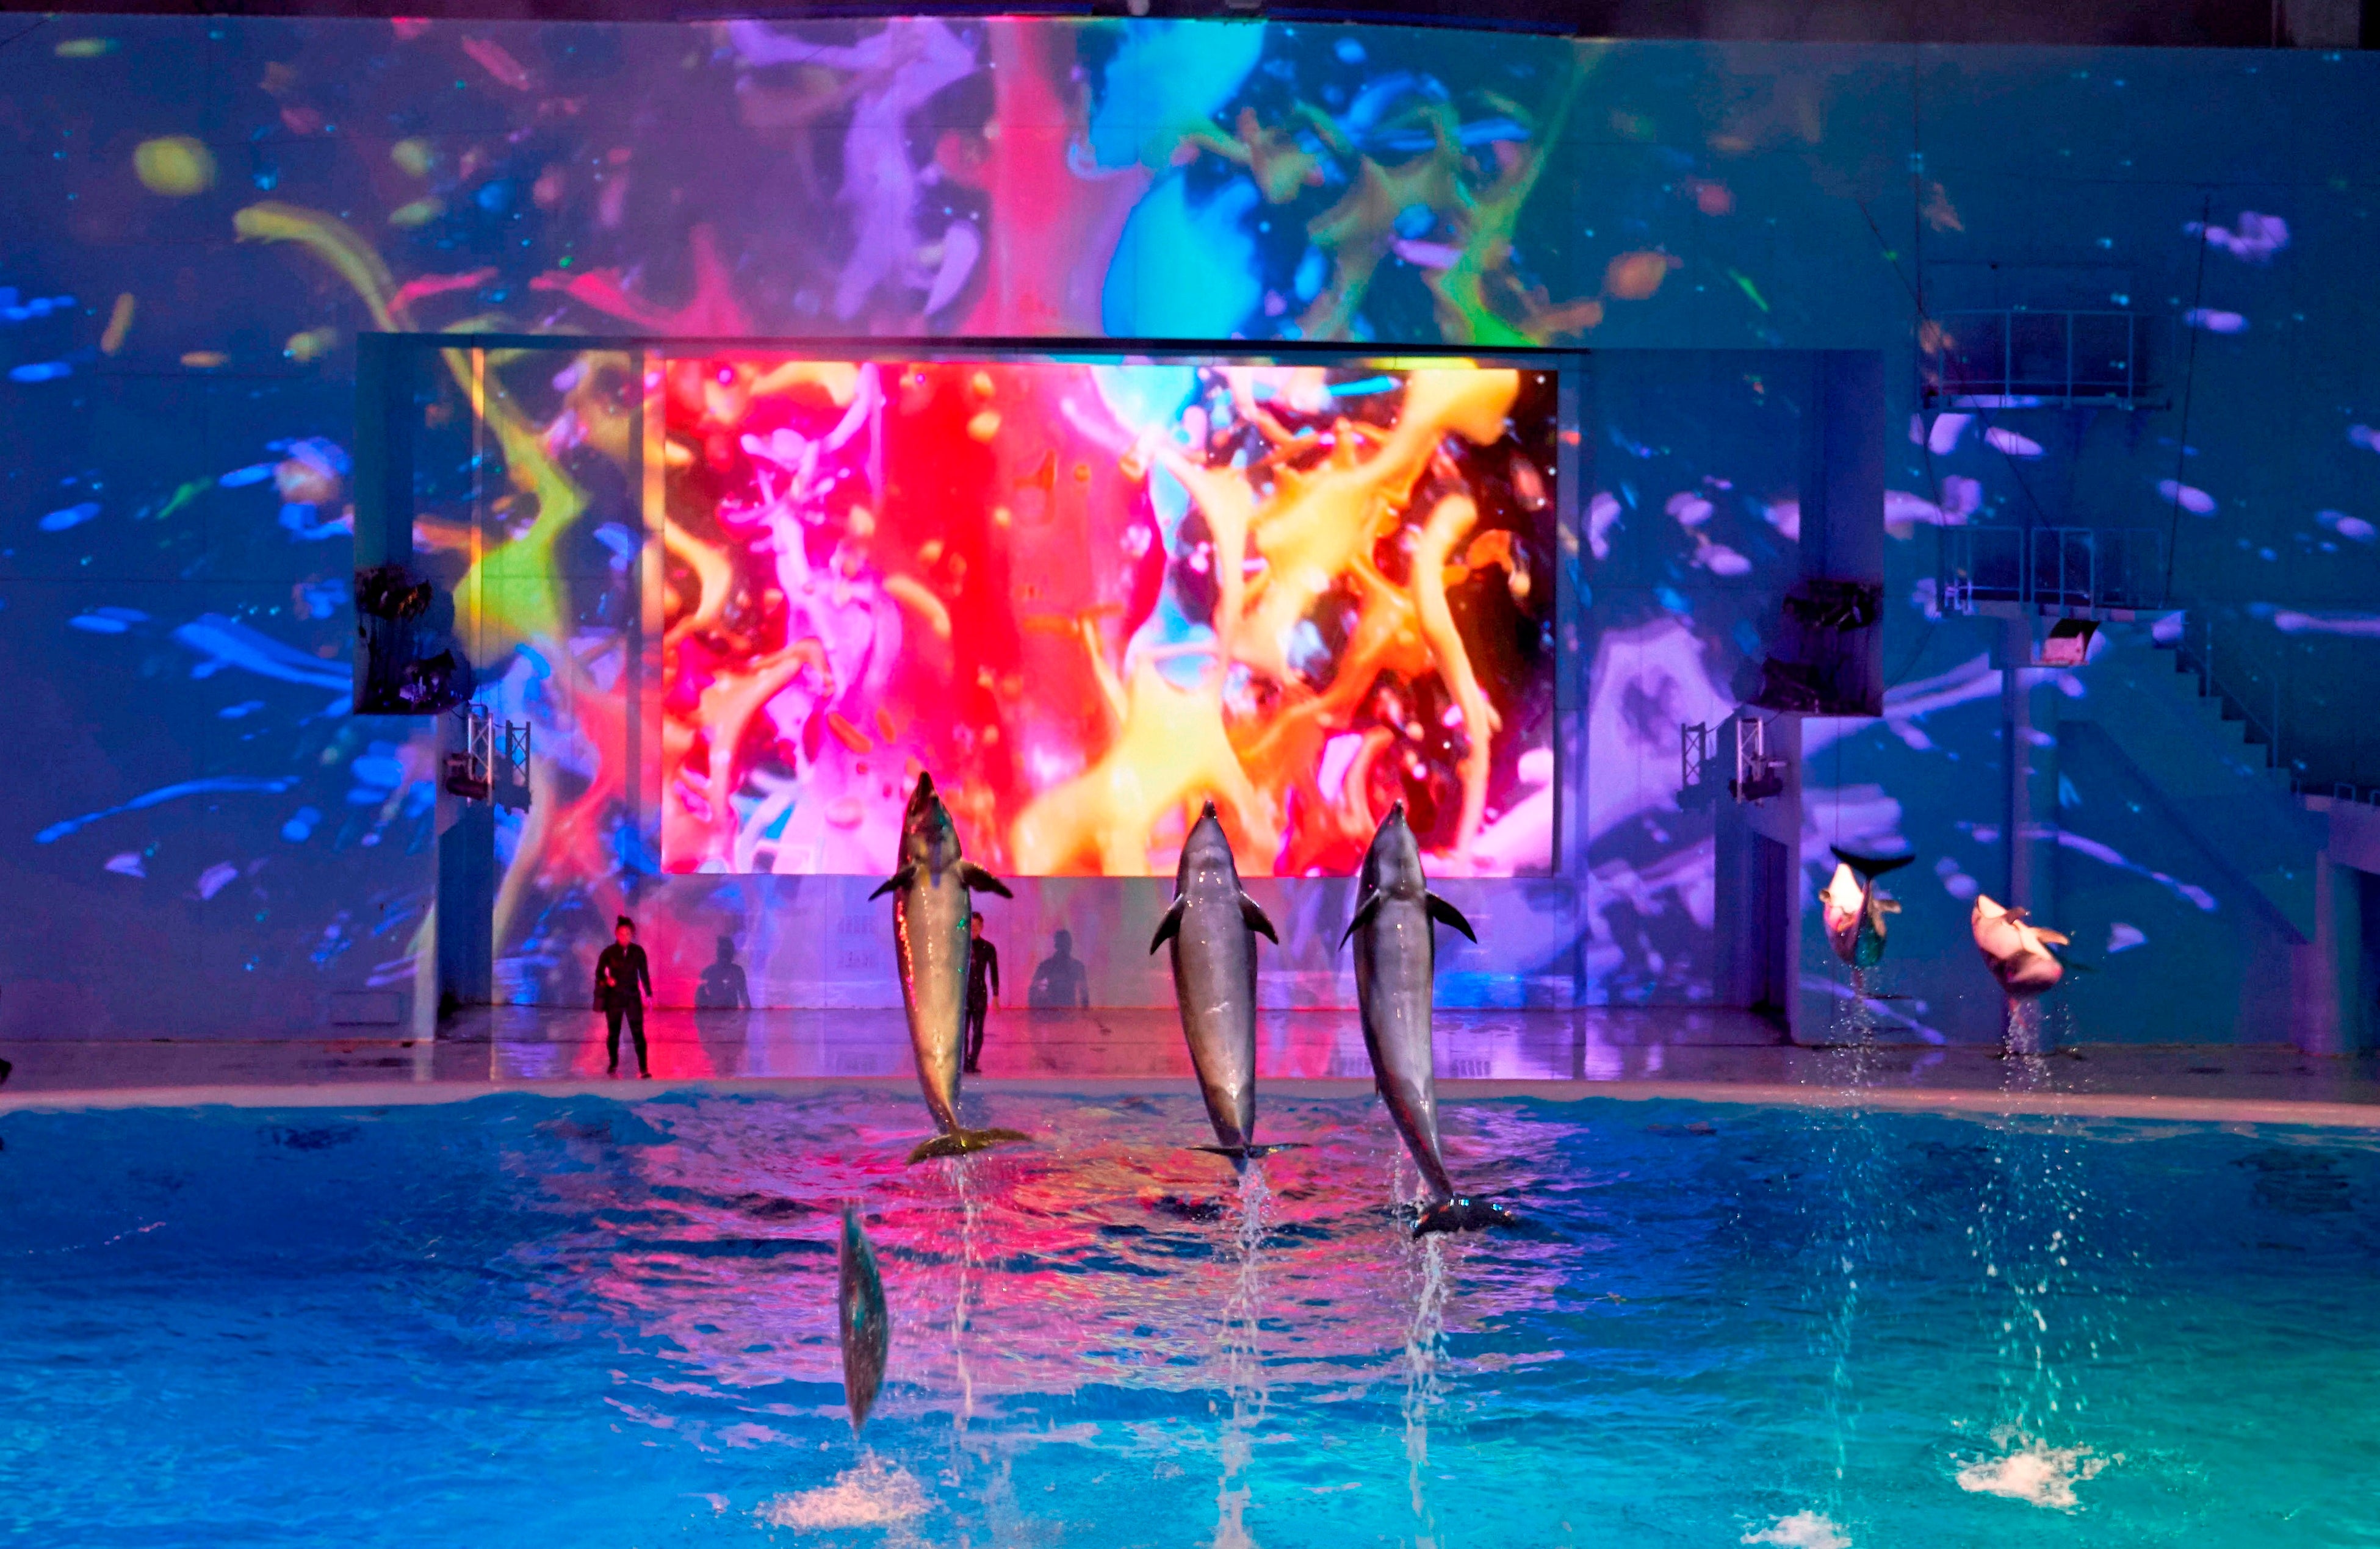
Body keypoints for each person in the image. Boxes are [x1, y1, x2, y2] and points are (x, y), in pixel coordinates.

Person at [593, 915, 654, 1078]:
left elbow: (644, 974)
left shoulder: (638, 952)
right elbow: (599, 972)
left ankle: (644, 1068)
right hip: (614, 998)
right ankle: (613, 1064)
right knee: (614, 1033)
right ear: (616, 934)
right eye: (621, 934)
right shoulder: (609, 952)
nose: (624, 937)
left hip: (632, 996)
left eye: (628, 934)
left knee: (638, 1033)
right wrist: (607, 979)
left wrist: (649, 994)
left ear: (632, 935)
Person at [963, 915, 1000, 1074]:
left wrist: (996, 995)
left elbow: (994, 972)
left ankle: (973, 1061)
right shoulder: (960, 947)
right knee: (963, 1030)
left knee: (978, 1030)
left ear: (982, 927)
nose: (974, 928)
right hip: (964, 995)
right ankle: (964, 1061)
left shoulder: (988, 948)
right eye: (971, 925)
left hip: (979, 994)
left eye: (977, 925)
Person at [1027, 928, 1090, 1010]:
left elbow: (1084, 995)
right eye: (1063, 943)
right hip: (1053, 1013)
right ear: (1057, 944)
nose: (1066, 946)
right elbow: (1033, 990)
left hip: (1067, 1013)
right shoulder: (1046, 966)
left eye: (1067, 943)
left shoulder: (1077, 967)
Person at [696, 935, 750, 1010]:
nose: (725, 956)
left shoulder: (737, 972)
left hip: (730, 1014)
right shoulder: (708, 972)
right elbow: (699, 1000)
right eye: (723, 952)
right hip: (714, 1013)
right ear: (718, 953)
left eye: (727, 953)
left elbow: (745, 998)